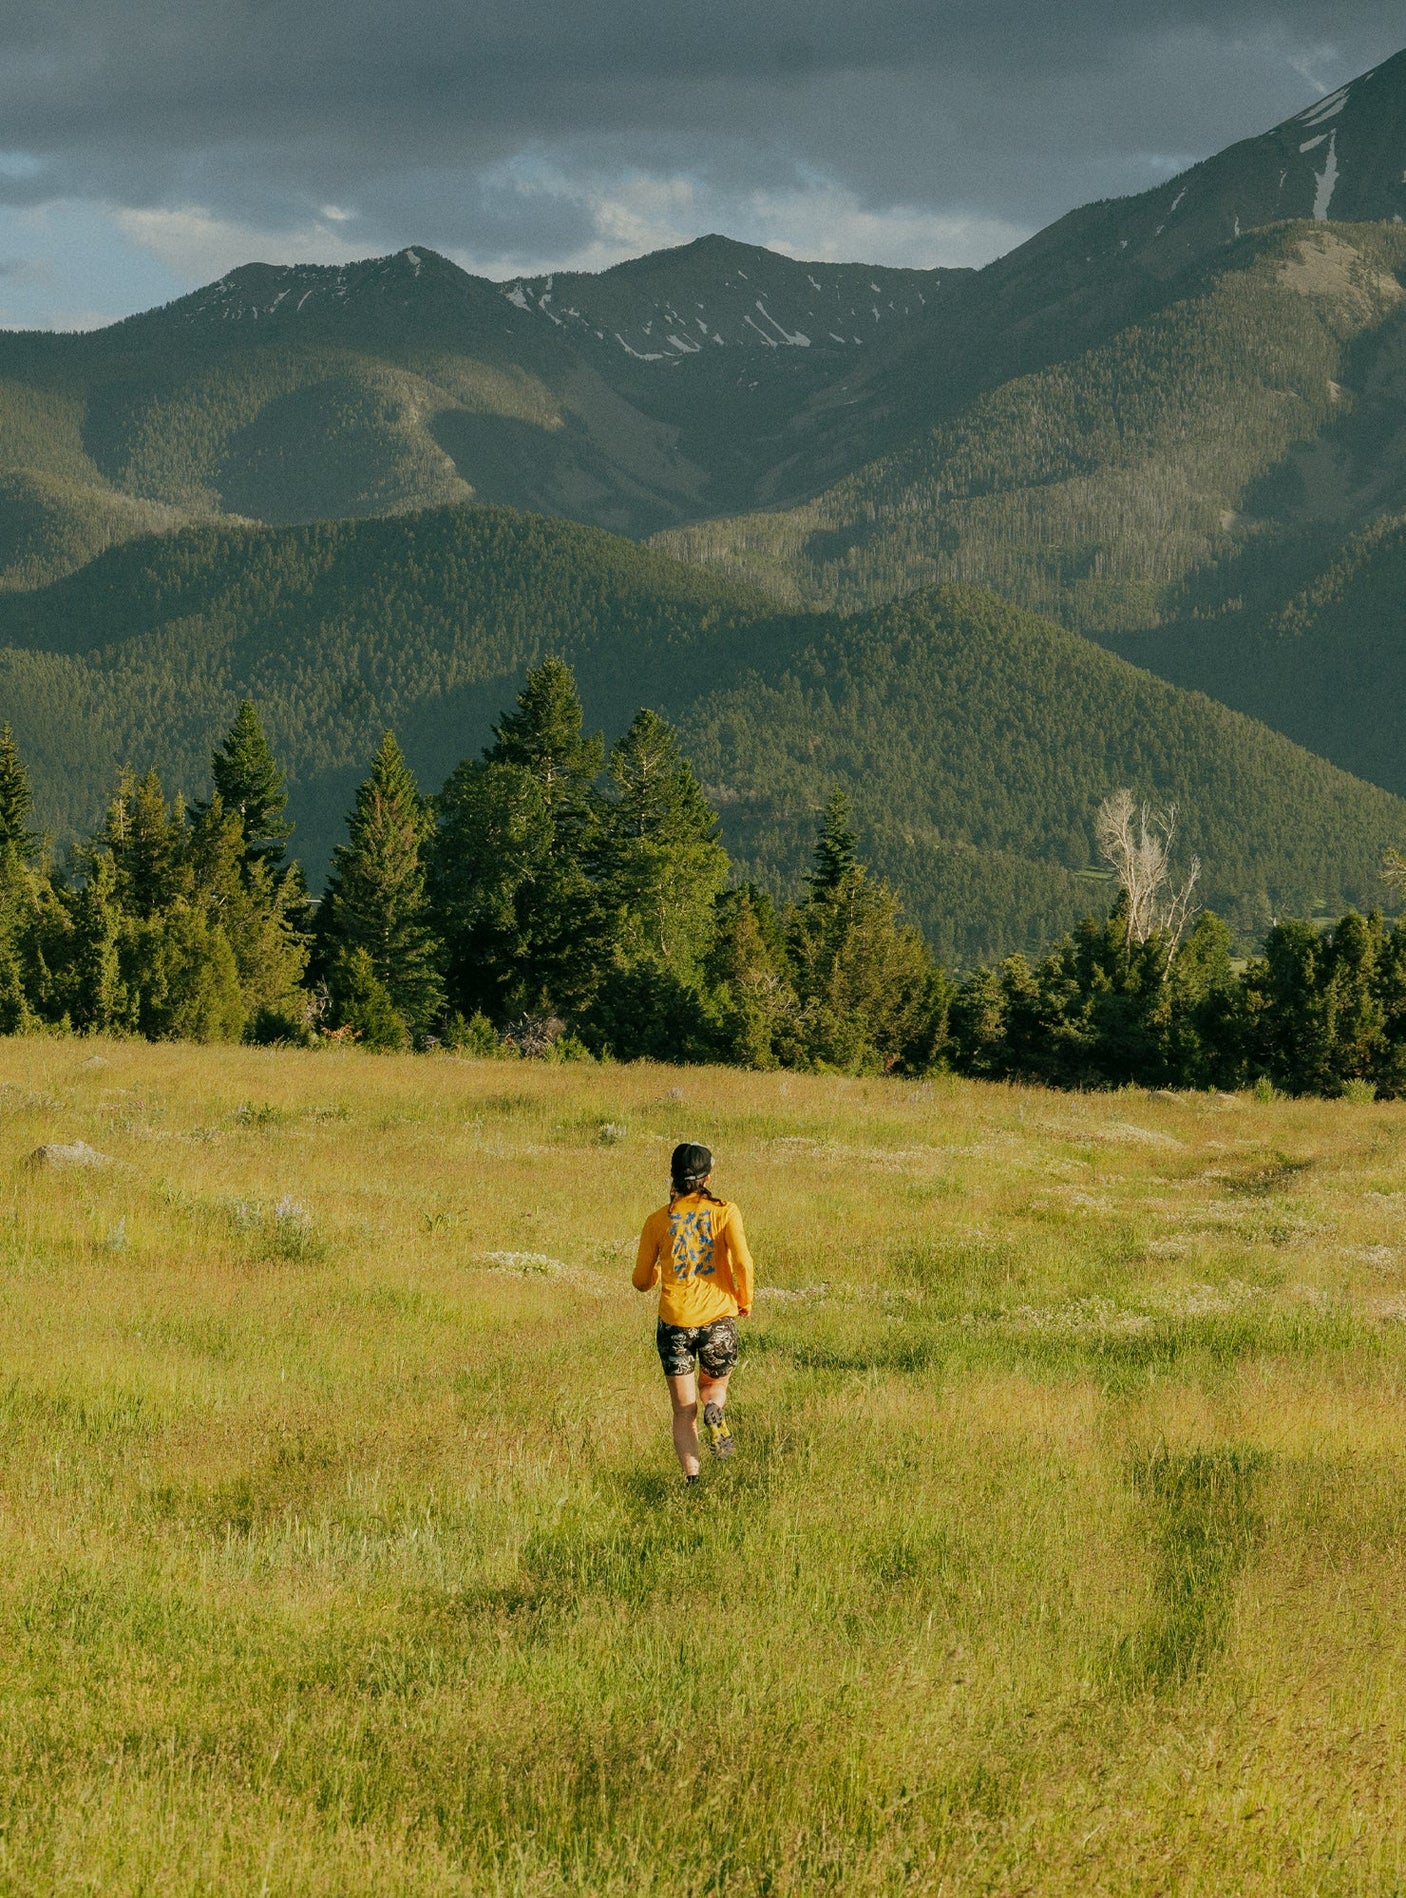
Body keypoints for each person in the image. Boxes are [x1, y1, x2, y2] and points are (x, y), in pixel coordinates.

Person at [633, 1141, 754, 1482]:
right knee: (713, 1387)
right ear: (709, 1176)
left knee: (683, 1411)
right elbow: (743, 1262)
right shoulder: (725, 1211)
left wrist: (657, 1272)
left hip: (675, 1323)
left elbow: (641, 1280)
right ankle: (715, 1407)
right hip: (718, 1318)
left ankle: (693, 1478)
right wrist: (744, 1300)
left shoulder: (657, 1221)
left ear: (672, 1176)